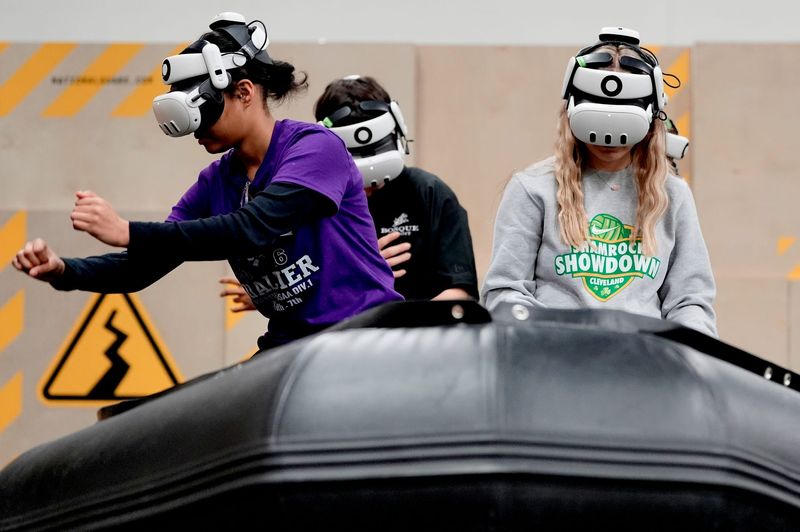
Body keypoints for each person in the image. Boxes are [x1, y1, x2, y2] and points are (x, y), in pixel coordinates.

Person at [12, 12, 402, 350]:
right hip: (290, 346)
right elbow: (143, 267)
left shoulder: (315, 149)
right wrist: (65, 271)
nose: (195, 130)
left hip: (364, 335)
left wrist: (129, 231)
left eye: (205, 110)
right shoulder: (217, 181)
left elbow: (253, 227)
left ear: (244, 92)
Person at [480, 27, 717, 337]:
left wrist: (690, 352)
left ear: (650, 119)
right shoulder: (533, 188)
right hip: (555, 359)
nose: (609, 139)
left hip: (644, 363)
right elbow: (505, 292)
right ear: (573, 111)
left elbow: (690, 301)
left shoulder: (672, 194)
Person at [221, 75, 478, 309]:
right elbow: (302, 282)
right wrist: (275, 292)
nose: (366, 190)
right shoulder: (308, 199)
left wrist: (407, 327)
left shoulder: (430, 194)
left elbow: (460, 292)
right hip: (342, 344)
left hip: (419, 346)